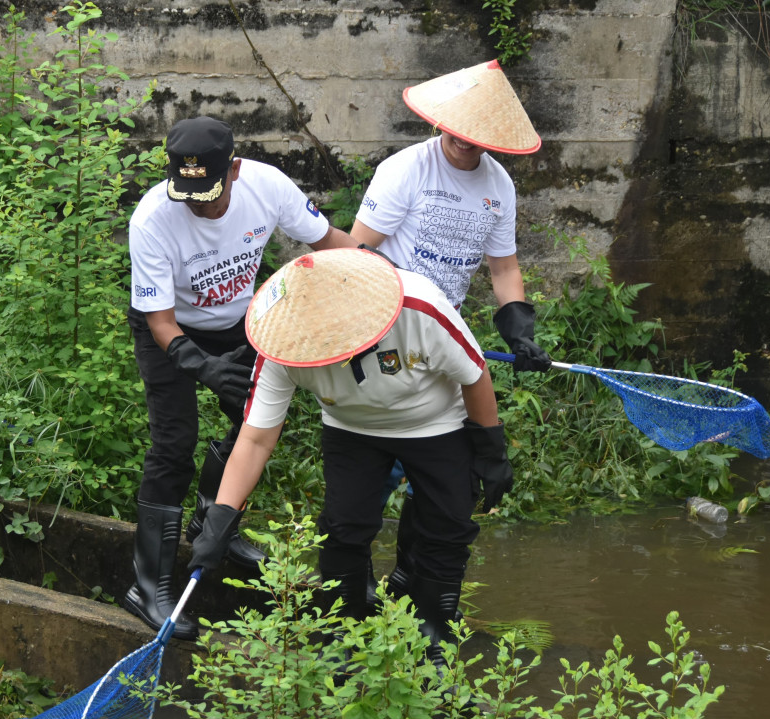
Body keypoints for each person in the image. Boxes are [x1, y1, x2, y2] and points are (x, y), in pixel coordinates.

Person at [189, 248, 513, 664]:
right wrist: (220, 517)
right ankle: (346, 634)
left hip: (436, 423)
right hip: (351, 430)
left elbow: (475, 373)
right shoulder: (281, 342)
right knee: (343, 529)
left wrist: (490, 448)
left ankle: (434, 634)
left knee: (447, 527)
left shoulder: (419, 306)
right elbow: (255, 440)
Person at [127, 116, 357, 639]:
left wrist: (387, 282)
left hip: (239, 320)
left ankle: (215, 523)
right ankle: (148, 585)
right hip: (171, 330)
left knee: (253, 422)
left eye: (209, 194)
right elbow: (160, 322)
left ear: (233, 169)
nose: (199, 207)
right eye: (188, 195)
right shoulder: (152, 220)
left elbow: (330, 240)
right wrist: (200, 365)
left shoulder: (267, 187)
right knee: (173, 442)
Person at [348, 60, 551, 598]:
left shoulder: (497, 186)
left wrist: (519, 328)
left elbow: (503, 269)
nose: (464, 142)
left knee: (446, 469)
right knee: (374, 461)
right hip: (386, 327)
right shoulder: (405, 170)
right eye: (455, 130)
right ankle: (350, 587)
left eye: (476, 136)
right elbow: (358, 252)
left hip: (446, 337)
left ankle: (414, 583)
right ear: (440, 122)